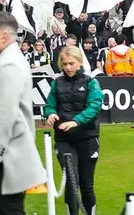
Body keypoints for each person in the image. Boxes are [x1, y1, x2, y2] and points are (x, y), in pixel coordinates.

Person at [0, 12, 47, 215]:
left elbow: (6, 115)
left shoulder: (9, 64)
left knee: (8, 210)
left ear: (4, 36)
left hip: (5, 160)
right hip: (6, 157)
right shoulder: (8, 60)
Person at [43, 46, 102, 215]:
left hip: (88, 138)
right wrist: (51, 113)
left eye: (71, 63)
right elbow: (50, 105)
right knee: (71, 182)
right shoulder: (56, 83)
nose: (68, 67)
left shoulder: (91, 81)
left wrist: (76, 121)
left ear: (79, 62)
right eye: (64, 64)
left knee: (86, 184)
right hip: (64, 139)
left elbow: (94, 106)